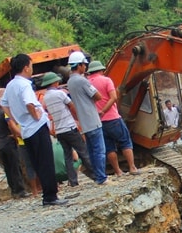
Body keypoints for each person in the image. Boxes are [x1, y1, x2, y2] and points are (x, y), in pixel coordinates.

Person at [0, 53, 69, 207]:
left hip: (25, 129)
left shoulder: (10, 85)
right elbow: (30, 103)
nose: (31, 69)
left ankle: (47, 195)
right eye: (31, 66)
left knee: (37, 163)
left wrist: (16, 118)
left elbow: (4, 104)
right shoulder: (24, 84)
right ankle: (51, 196)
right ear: (26, 67)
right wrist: (35, 115)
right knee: (46, 162)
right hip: (36, 127)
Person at [39, 71, 94, 188]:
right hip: (69, 127)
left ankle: (73, 181)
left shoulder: (45, 98)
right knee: (83, 151)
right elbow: (71, 106)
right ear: (54, 82)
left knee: (67, 156)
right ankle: (96, 175)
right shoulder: (60, 94)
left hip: (59, 131)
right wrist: (79, 119)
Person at [87, 60, 140, 177]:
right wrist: (104, 111)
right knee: (125, 142)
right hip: (113, 118)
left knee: (109, 147)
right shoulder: (106, 80)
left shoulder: (87, 84)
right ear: (101, 70)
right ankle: (132, 167)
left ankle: (118, 171)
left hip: (98, 122)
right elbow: (114, 97)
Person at [65, 51, 108, 185]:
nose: (85, 67)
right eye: (84, 64)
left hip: (84, 123)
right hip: (92, 120)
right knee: (100, 151)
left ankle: (97, 176)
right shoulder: (82, 80)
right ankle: (102, 177)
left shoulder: (70, 81)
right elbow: (98, 96)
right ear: (79, 65)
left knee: (91, 151)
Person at [0, 91, 29, 198]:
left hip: (0, 143)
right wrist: (16, 135)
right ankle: (21, 191)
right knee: (15, 166)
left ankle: (14, 190)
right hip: (9, 142)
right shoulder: (4, 112)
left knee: (8, 168)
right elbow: (10, 124)